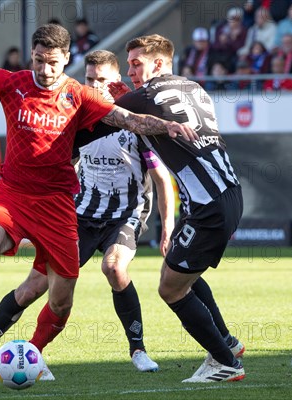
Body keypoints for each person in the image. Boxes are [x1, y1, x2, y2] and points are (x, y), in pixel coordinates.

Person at [0, 24, 196, 381]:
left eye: (52, 62)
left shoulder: (80, 96)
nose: (44, 70)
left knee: (60, 301)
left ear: (66, 59)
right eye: (39, 61)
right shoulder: (12, 83)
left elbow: (129, 119)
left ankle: (34, 353)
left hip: (58, 205)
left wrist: (167, 125)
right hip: (13, 193)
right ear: (32, 56)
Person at [105, 33, 246, 383]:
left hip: (208, 205)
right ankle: (227, 341)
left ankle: (224, 360)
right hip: (226, 193)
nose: (130, 70)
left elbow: (103, 116)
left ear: (158, 63)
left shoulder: (145, 95)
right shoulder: (195, 87)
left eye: (136, 63)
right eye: (128, 64)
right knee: (181, 271)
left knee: (170, 288)